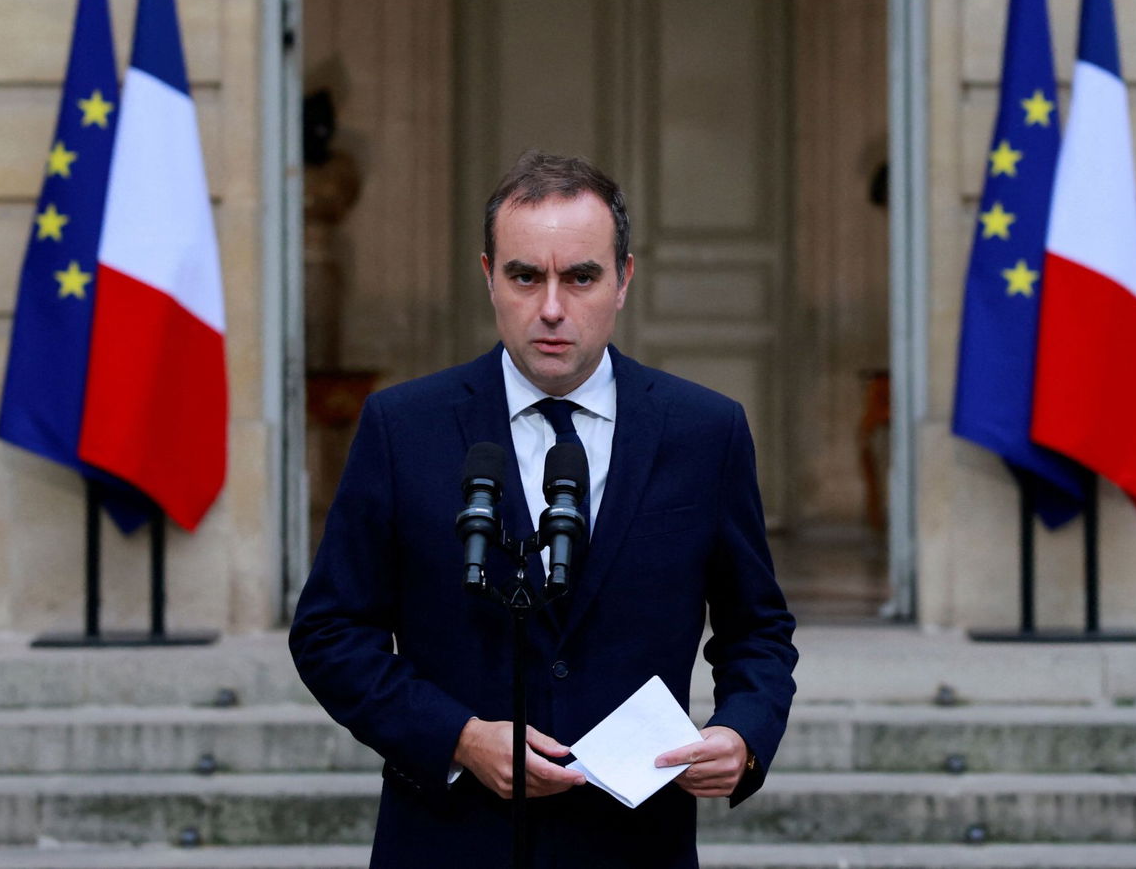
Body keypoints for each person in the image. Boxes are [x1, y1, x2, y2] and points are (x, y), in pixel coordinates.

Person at [289, 150, 797, 869]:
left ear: (623, 280)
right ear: (488, 276)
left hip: (632, 848)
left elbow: (759, 629)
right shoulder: (404, 428)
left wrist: (743, 732)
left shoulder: (705, 432)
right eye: (526, 276)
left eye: (580, 276)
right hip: (449, 841)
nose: (552, 307)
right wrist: (459, 735)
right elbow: (330, 632)